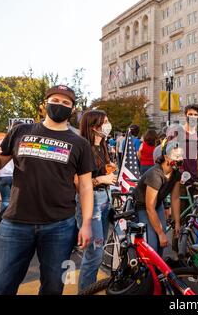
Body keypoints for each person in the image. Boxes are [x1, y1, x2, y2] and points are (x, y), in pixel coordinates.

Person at [0, 85, 93, 295]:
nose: (60, 105)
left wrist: (85, 224)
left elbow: (85, 187)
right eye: (55, 100)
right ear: (45, 104)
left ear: (73, 109)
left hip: (60, 226)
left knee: (53, 288)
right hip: (15, 223)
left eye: (66, 103)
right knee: (1, 286)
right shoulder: (21, 131)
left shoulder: (80, 143)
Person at [75, 109, 117, 293]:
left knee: (97, 253)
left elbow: (98, 170)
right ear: (94, 126)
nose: (108, 125)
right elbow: (78, 182)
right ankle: (86, 291)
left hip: (105, 199)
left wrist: (108, 172)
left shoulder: (103, 145)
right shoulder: (82, 146)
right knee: (94, 254)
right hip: (91, 201)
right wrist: (101, 180)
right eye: (104, 121)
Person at [133, 139, 183, 256]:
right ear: (166, 157)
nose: (179, 159)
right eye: (176, 156)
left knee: (162, 244)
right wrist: (160, 233)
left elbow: (175, 198)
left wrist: (177, 223)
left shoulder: (176, 173)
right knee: (153, 244)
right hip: (143, 206)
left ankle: (156, 272)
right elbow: (149, 207)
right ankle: (148, 271)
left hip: (157, 204)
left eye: (181, 156)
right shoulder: (155, 174)